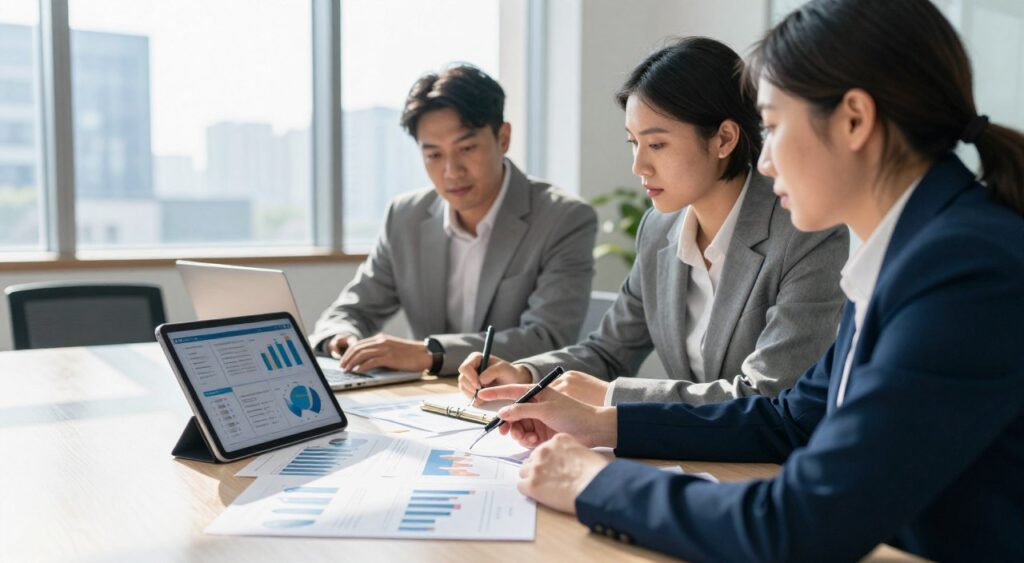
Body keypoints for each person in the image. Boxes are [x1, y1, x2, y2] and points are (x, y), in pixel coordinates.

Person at [476, 1, 1024, 560]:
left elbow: (802, 522)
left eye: (776, 126)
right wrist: (601, 423)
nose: (763, 162)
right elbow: (789, 419)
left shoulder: (965, 270)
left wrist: (594, 483)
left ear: (855, 120)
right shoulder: (911, 251)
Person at [458, 37, 848, 406]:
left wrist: (612, 397)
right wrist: (526, 373)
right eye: (634, 143)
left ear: (724, 139)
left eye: (657, 144)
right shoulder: (658, 231)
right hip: (688, 453)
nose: (639, 166)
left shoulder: (806, 234)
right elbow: (609, 353)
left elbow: (767, 394)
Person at [309, 64, 597, 375]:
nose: (452, 171)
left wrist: (430, 353)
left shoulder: (564, 219)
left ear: (503, 138)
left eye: (467, 148)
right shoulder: (405, 216)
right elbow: (353, 309)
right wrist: (340, 338)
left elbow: (546, 338)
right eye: (434, 155)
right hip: (422, 404)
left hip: (519, 406)